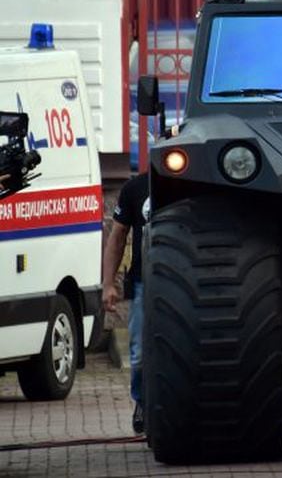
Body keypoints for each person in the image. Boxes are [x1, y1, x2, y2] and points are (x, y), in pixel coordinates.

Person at [101, 173, 151, 435]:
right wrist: (109, 284)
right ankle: (142, 403)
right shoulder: (135, 187)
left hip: (188, 282)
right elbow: (117, 236)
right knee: (140, 353)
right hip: (144, 283)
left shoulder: (195, 182)